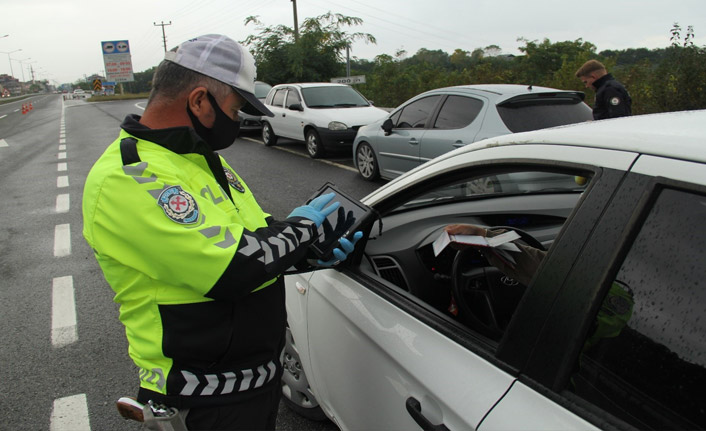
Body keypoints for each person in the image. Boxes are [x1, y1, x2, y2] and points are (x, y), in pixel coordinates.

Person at [82, 34, 361, 430]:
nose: (241, 120)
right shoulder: (128, 176)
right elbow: (232, 269)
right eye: (235, 108)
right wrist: (303, 230)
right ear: (199, 100)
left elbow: (259, 239)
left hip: (253, 385)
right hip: (200, 402)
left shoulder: (200, 161)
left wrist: (309, 251)